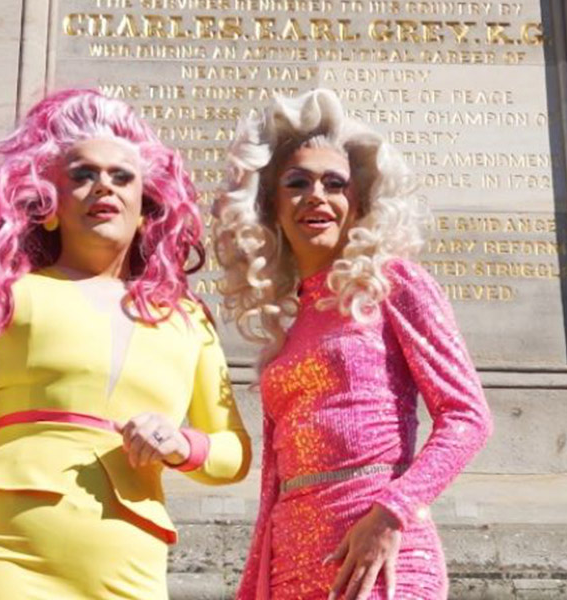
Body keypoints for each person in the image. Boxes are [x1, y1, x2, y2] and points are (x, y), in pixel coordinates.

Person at [0, 89, 252, 600]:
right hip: (3, 548)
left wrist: (182, 444)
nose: (104, 185)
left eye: (122, 176)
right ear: (50, 206)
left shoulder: (188, 319)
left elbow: (234, 452)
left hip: (132, 558)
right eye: (82, 174)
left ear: (145, 210)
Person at [213, 89, 493, 600]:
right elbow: (274, 479)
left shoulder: (394, 283)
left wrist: (393, 513)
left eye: (334, 183)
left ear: (357, 201)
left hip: (382, 557)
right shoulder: (288, 323)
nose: (316, 195)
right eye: (297, 183)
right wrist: (256, 584)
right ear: (271, 206)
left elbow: (467, 417)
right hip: (292, 562)